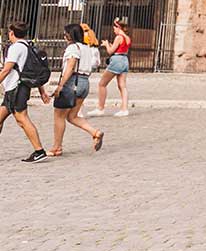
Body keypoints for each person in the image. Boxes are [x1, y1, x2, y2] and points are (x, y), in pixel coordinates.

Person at [48, 23, 104, 156]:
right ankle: (95, 132)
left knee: (59, 115)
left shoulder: (73, 48)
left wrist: (60, 85)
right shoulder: (87, 48)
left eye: (65, 34)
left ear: (69, 35)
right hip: (84, 82)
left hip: (73, 82)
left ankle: (57, 147)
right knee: (72, 116)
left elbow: (70, 66)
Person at [0, 21, 50, 163]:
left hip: (16, 88)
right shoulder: (28, 46)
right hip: (16, 88)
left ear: (11, 33)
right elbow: (32, 70)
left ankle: (39, 150)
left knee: (22, 119)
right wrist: (42, 91)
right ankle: (39, 150)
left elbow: (6, 69)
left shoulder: (16, 48)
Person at [89, 18, 131, 117]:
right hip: (124, 60)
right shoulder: (127, 38)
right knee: (122, 86)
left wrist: (107, 44)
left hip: (116, 61)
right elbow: (121, 49)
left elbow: (110, 51)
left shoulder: (118, 37)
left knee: (102, 84)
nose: (114, 30)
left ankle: (100, 108)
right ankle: (124, 109)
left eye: (114, 28)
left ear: (118, 27)